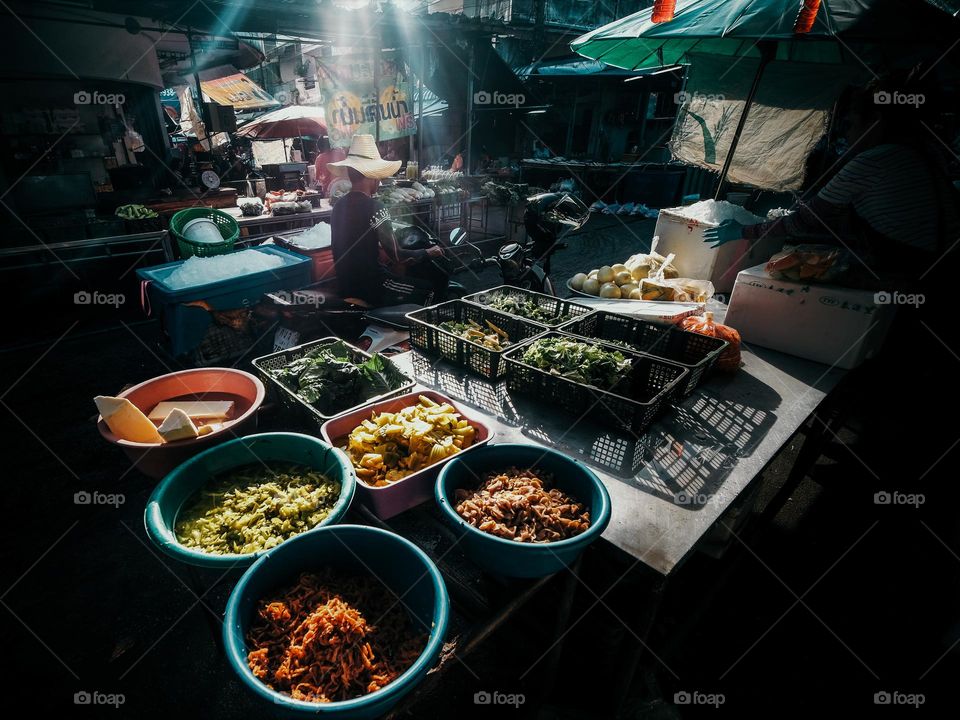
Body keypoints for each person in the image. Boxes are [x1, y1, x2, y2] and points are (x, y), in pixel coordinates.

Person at [703, 74, 958, 275]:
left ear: (876, 121)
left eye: (852, 124)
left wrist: (744, 231)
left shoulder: (874, 160)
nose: (847, 134)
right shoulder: (925, 152)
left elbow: (806, 221)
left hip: (909, 271)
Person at [328, 134, 444, 306]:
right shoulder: (376, 207)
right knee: (429, 289)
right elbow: (398, 256)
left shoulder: (338, 205)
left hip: (345, 283)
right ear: (371, 176)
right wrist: (428, 252)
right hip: (371, 285)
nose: (380, 181)